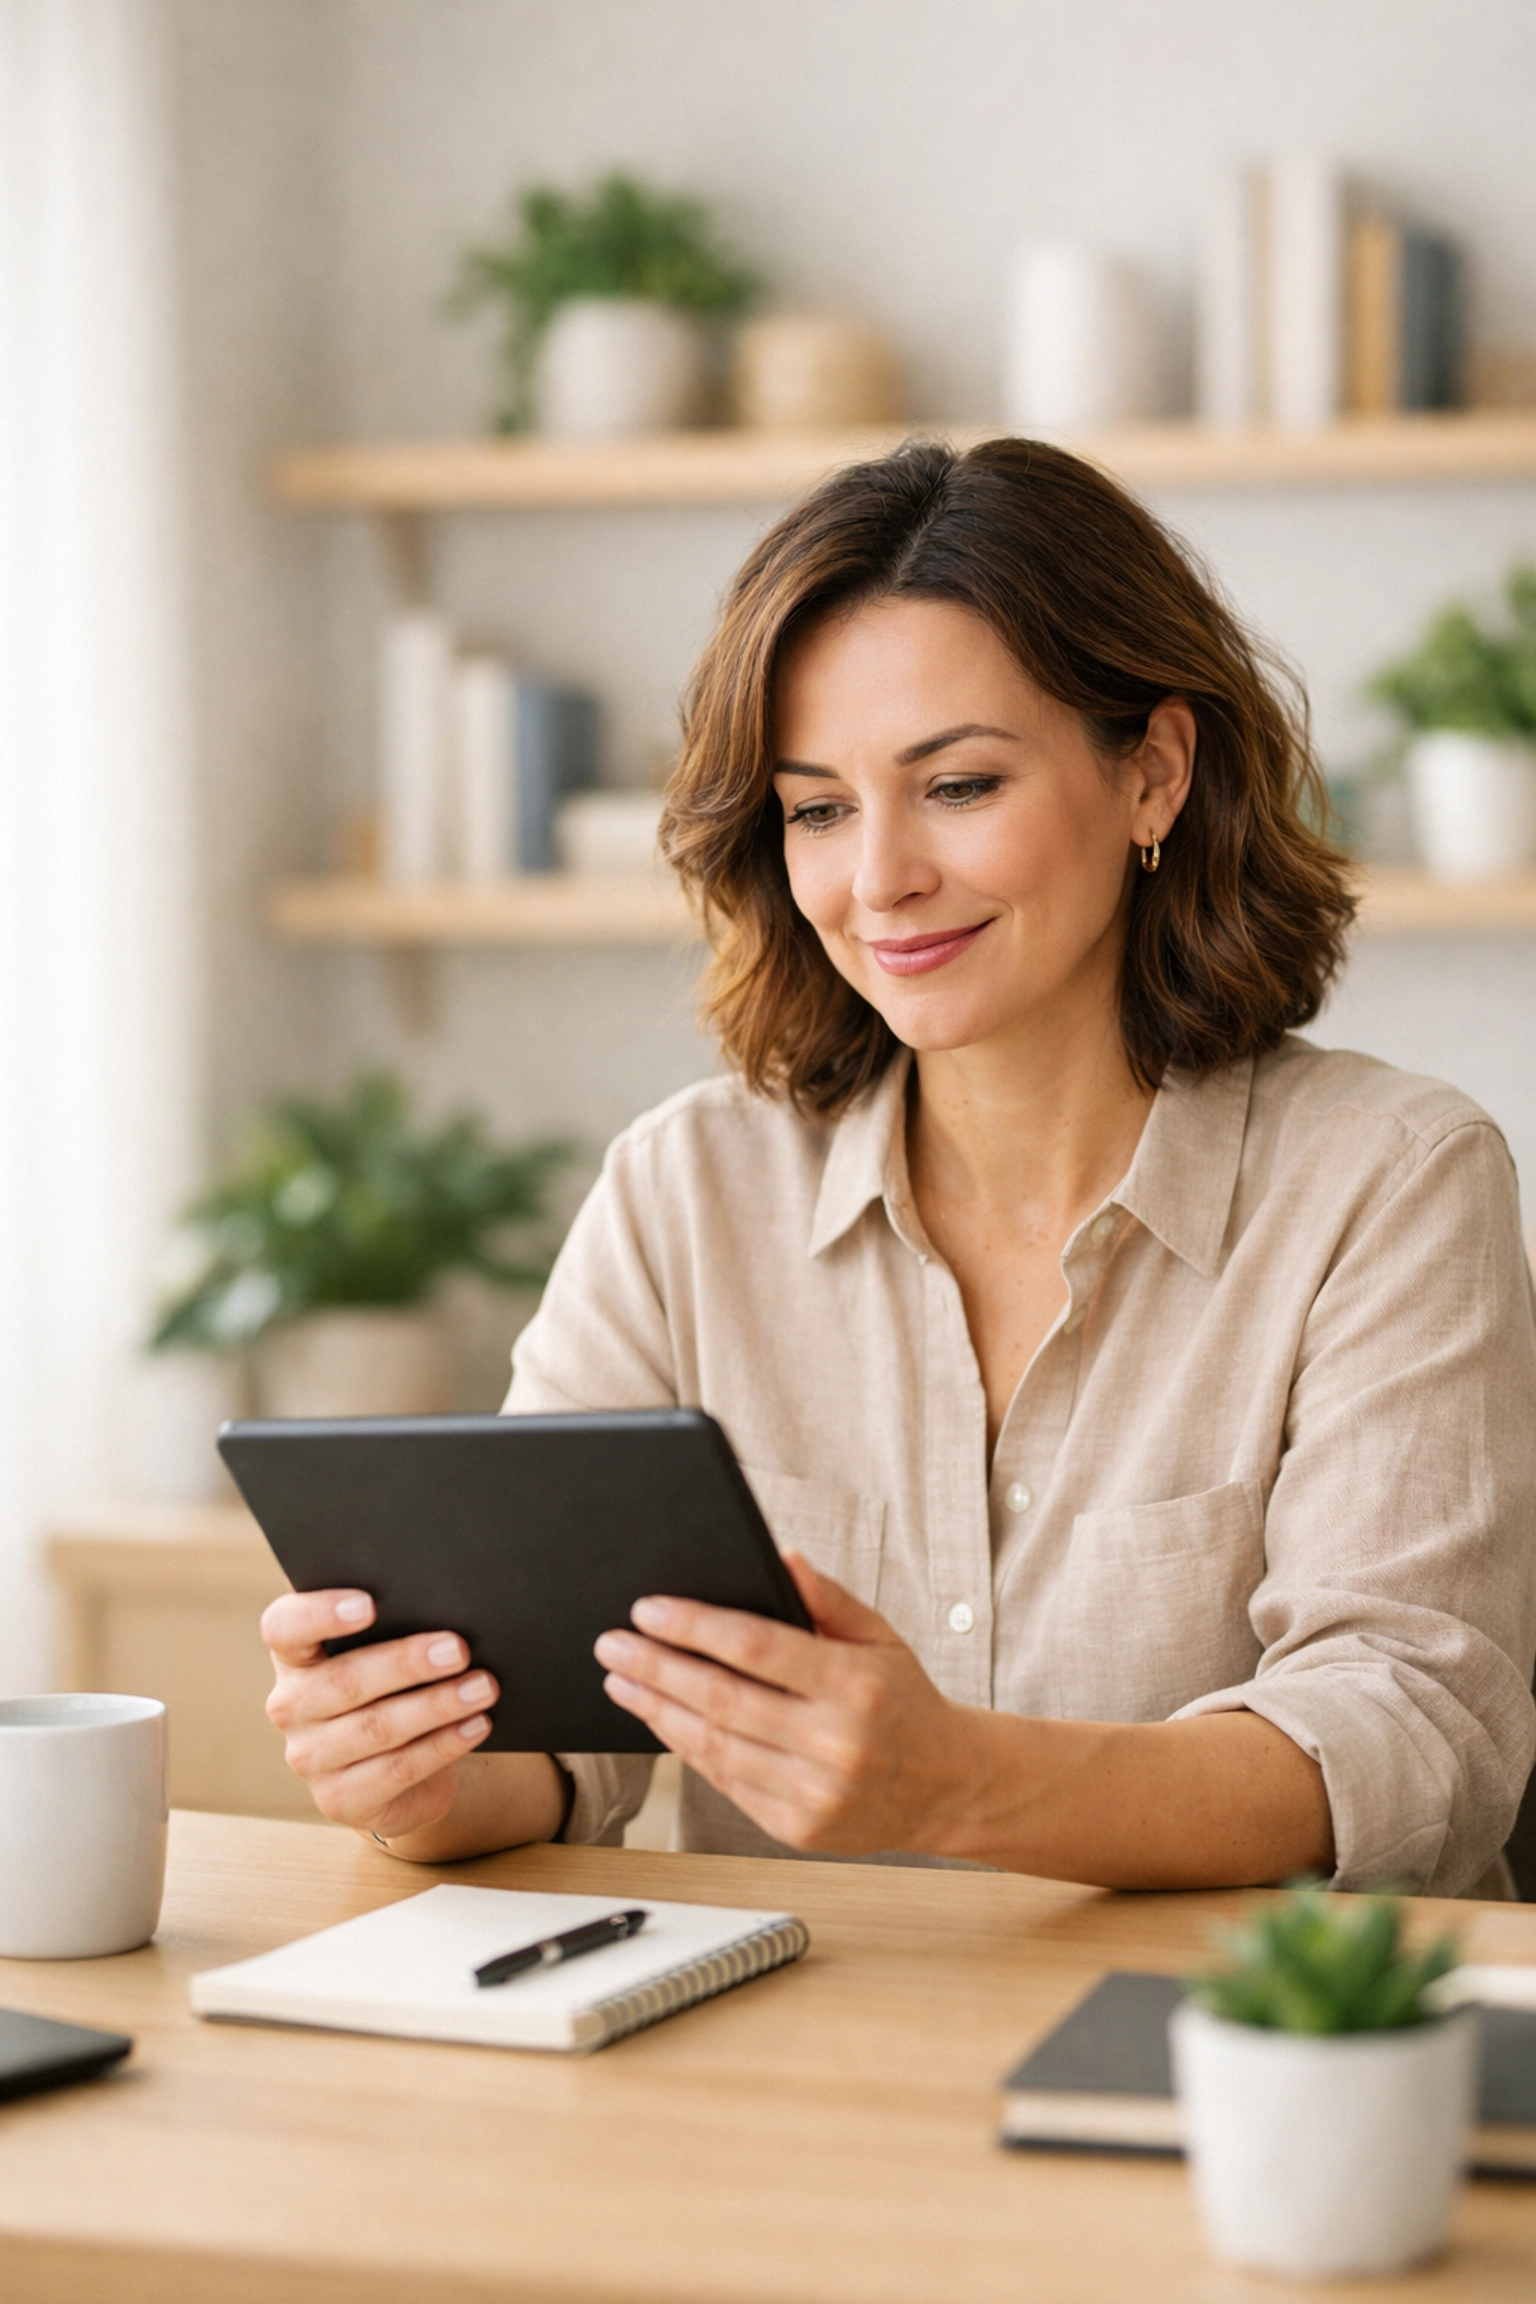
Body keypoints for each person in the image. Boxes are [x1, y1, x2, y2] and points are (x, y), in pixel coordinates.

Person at [261, 438, 1536, 1897]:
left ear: (1155, 776)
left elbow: (1410, 1734)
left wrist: (956, 1784)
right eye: (817, 808)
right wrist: (421, 1770)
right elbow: (571, 1734)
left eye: (961, 784)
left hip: (1261, 2067)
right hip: (806, 2068)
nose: (879, 880)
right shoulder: (686, 1196)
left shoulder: (1392, 1182)